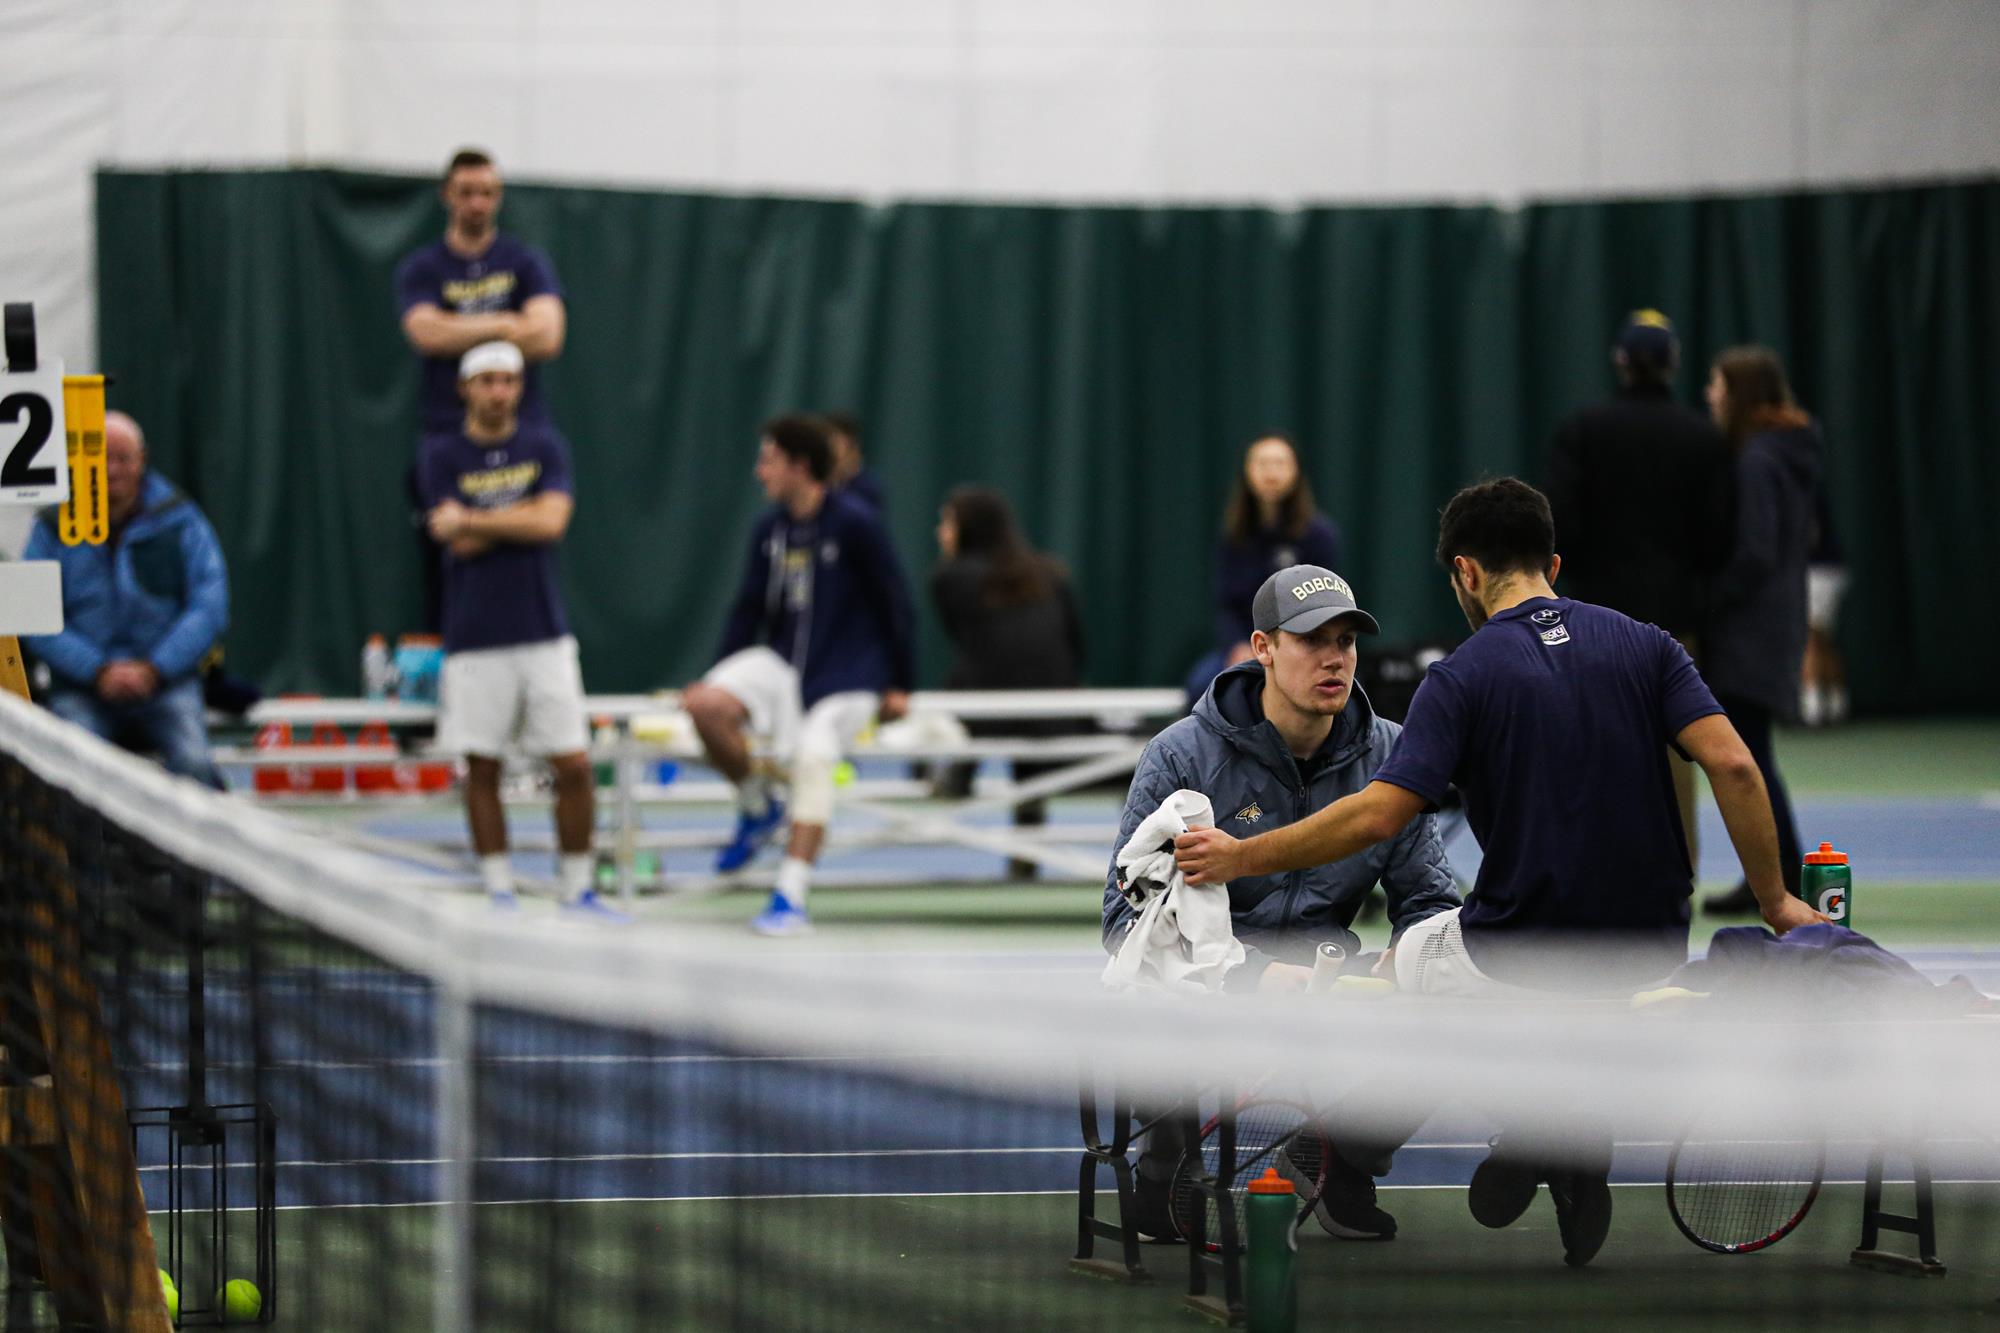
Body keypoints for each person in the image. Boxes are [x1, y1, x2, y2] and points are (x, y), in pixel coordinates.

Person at [1173, 478, 1822, 1267]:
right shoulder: (1651, 645)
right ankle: (1556, 1134)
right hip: (1647, 950)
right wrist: (1778, 899)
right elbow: (1736, 768)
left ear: (1466, 574)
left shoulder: (1463, 675)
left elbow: (1379, 816)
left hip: (1515, 951)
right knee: (1484, 988)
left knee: (1405, 968)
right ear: (1552, 561)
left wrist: (1244, 854)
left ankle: (1385, 1150)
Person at [1107, 564, 1460, 1244]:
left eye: (1346, 641)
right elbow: (1124, 922)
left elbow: (1432, 898)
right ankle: (1163, 1173)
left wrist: (1412, 950)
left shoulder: (1392, 755)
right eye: (1311, 640)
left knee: (1453, 985)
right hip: (1212, 977)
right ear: (1262, 648)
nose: (1334, 658)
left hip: (1328, 978)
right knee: (1150, 991)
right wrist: (1246, 974)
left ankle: (1341, 1156)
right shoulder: (1179, 756)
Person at [681, 415, 917, 936]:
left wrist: (901, 683)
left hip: (850, 679)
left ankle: (789, 895)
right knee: (702, 705)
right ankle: (757, 805)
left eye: (768, 460)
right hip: (786, 668)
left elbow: (894, 603)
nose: (759, 471)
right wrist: (718, 672)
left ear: (800, 466)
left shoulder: (856, 523)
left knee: (813, 759)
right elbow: (748, 609)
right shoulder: (770, 529)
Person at [416, 341, 610, 915]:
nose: (499, 392)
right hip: (474, 640)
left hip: (544, 634)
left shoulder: (545, 446)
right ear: (466, 389)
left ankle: (578, 890)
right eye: (488, 381)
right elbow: (449, 536)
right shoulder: (438, 454)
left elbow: (549, 522)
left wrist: (475, 521)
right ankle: (499, 890)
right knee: (482, 765)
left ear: (520, 387)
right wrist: (510, 522)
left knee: (573, 765)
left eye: (509, 381)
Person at [1544, 310, 1734, 863]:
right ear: (1673, 362)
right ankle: (1678, 873)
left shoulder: (1583, 430)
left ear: (1621, 363)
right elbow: (1718, 539)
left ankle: (1591, 867)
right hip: (1676, 620)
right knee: (1679, 748)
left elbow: (1561, 524)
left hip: (1592, 620)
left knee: (1589, 745)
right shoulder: (1702, 438)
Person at [397, 148, 567, 632]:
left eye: (488, 193)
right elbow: (425, 333)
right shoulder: (423, 268)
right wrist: (508, 323)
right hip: (446, 439)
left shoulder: (524, 261)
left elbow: (549, 335)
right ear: (447, 196)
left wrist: (479, 523)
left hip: (521, 441)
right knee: (451, 570)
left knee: (525, 566)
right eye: (467, 192)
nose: (477, 203)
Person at [22, 411, 228, 788]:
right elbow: (35, 618)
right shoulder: (51, 526)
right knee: (72, 772)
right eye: (102, 457)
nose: (112, 470)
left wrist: (155, 669)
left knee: (195, 764)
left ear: (142, 460)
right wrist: (97, 670)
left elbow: (209, 607)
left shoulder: (181, 519)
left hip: (168, 687)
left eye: (123, 458)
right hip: (80, 692)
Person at [1698, 347, 1823, 915]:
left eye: (1719, 385)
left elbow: (1754, 552)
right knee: (1755, 752)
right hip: (1776, 622)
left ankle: (1776, 881)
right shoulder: (1788, 453)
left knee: (1748, 757)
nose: (1710, 394)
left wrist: (1704, 602)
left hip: (1750, 630)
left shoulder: (1758, 460)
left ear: (1741, 393)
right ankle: (1776, 876)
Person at [931, 486, 1084, 878]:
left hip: (995, 714)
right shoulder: (1049, 571)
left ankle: (960, 771)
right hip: (1054, 713)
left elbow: (972, 649)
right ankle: (1025, 839)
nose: (940, 532)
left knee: (984, 685)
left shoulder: (950, 578)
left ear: (968, 529)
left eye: (947, 522)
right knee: (1014, 692)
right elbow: (1076, 645)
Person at [1188, 434, 1343, 701]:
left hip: (1300, 644)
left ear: (1296, 471)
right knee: (1201, 684)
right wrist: (1237, 646)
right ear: (1247, 471)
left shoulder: (1319, 535)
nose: (1271, 472)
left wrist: (1287, 647)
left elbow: (1325, 607)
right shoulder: (1234, 535)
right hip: (1247, 645)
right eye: (1262, 463)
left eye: (1279, 463)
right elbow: (1227, 604)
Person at [1801, 478, 1849, 726]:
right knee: (1823, 638)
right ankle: (1837, 705)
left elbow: (1810, 535)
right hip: (1830, 570)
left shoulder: (1803, 490)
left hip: (1819, 571)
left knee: (1809, 636)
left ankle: (1812, 710)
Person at [823, 412, 883, 512]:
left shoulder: (866, 490)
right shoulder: (826, 483)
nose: (829, 450)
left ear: (853, 448)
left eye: (835, 444)